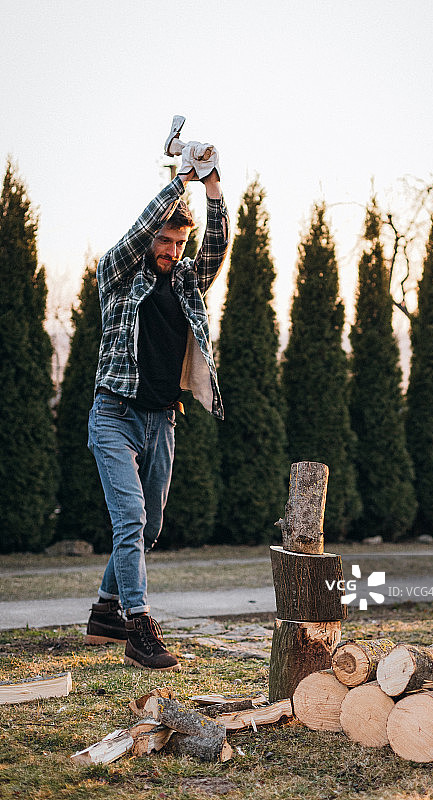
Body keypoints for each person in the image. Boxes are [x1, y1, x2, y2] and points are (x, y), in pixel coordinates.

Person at [84, 137, 229, 670]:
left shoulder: (189, 282)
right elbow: (139, 228)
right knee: (130, 518)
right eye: (164, 242)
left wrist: (212, 183)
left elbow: (216, 245)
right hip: (114, 415)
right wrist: (181, 178)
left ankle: (105, 609)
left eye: (177, 244)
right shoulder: (119, 279)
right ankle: (138, 626)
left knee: (147, 528)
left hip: (162, 419)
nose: (170, 251)